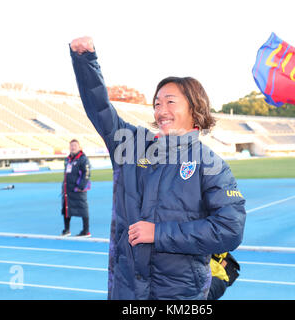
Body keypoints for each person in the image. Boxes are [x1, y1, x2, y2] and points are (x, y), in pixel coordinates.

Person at [70, 36, 246, 299]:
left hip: (178, 295)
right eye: (157, 103)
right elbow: (100, 110)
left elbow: (230, 229)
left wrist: (159, 233)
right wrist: (85, 61)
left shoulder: (210, 163)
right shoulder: (132, 145)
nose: (161, 110)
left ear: (194, 107)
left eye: (170, 102)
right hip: (127, 291)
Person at [61, 139, 92, 237]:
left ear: (79, 147)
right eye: (71, 145)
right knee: (66, 209)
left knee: (83, 208)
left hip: (78, 189)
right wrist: (63, 187)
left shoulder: (83, 159)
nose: (72, 147)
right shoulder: (67, 159)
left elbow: (86, 173)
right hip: (68, 190)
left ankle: (86, 231)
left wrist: (81, 186)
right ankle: (66, 230)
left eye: (75, 145)